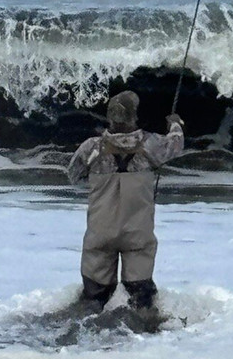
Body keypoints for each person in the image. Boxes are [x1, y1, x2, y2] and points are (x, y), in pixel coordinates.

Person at [67, 90, 184, 312]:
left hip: (100, 231)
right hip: (137, 233)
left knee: (93, 300)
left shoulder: (91, 147)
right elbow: (176, 144)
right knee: (141, 300)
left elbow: (73, 176)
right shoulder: (151, 144)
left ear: (109, 117)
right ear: (135, 117)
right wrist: (175, 124)